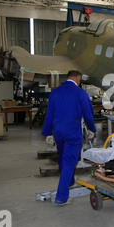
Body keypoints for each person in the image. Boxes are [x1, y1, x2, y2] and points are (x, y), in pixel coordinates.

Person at [41, 70, 96, 206]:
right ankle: (61, 197)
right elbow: (88, 114)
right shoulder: (80, 93)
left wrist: (48, 132)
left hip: (59, 132)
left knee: (63, 157)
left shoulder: (55, 92)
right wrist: (91, 129)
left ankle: (70, 181)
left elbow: (49, 114)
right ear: (78, 78)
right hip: (73, 132)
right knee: (70, 161)